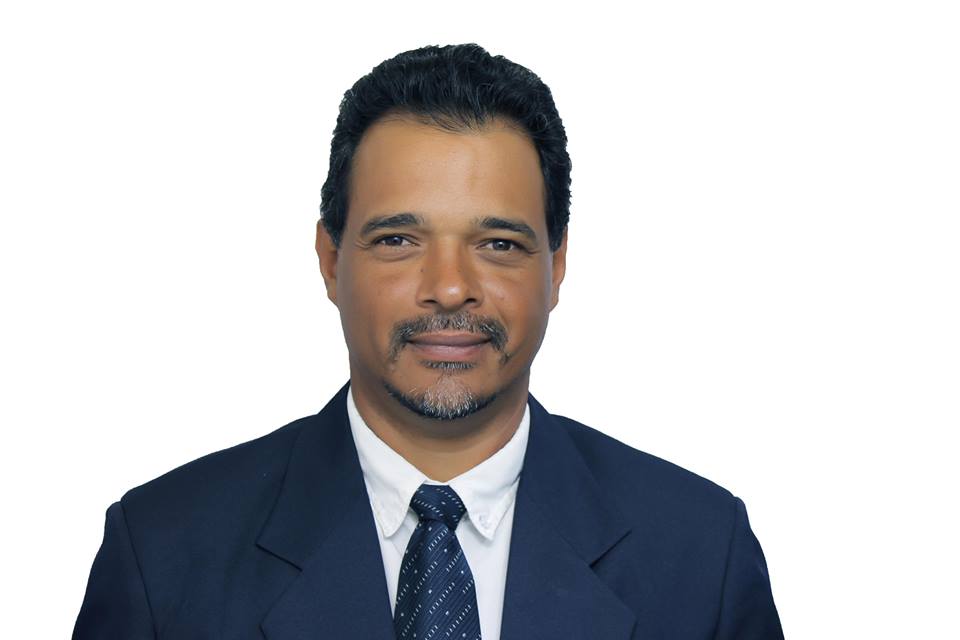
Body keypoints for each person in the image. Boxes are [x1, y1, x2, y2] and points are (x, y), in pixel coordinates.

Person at [73, 43, 784, 639]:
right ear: (330, 260)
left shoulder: (702, 554)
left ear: (557, 267)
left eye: (498, 243)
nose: (449, 287)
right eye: (398, 240)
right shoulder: (162, 553)